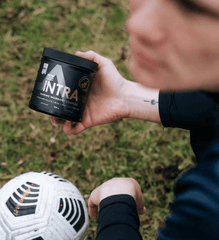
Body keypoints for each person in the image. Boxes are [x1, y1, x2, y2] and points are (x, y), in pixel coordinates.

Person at [52, 0, 219, 239]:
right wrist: (125, 97)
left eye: (193, 9)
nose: (136, 24)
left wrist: (116, 204)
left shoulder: (211, 205)